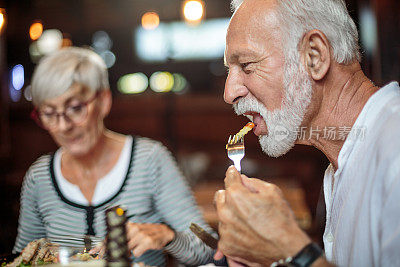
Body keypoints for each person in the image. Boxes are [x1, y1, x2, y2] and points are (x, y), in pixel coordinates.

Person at [214, 0, 400, 266]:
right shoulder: (340, 164)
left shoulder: (395, 149)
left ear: (315, 55)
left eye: (247, 65)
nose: (229, 93)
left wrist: (291, 248)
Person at [13, 47, 216, 266]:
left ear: (103, 101)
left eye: (74, 108)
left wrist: (168, 236)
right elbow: (22, 258)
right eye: (50, 113)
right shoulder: (39, 178)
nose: (63, 126)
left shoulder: (149, 160)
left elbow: (207, 247)